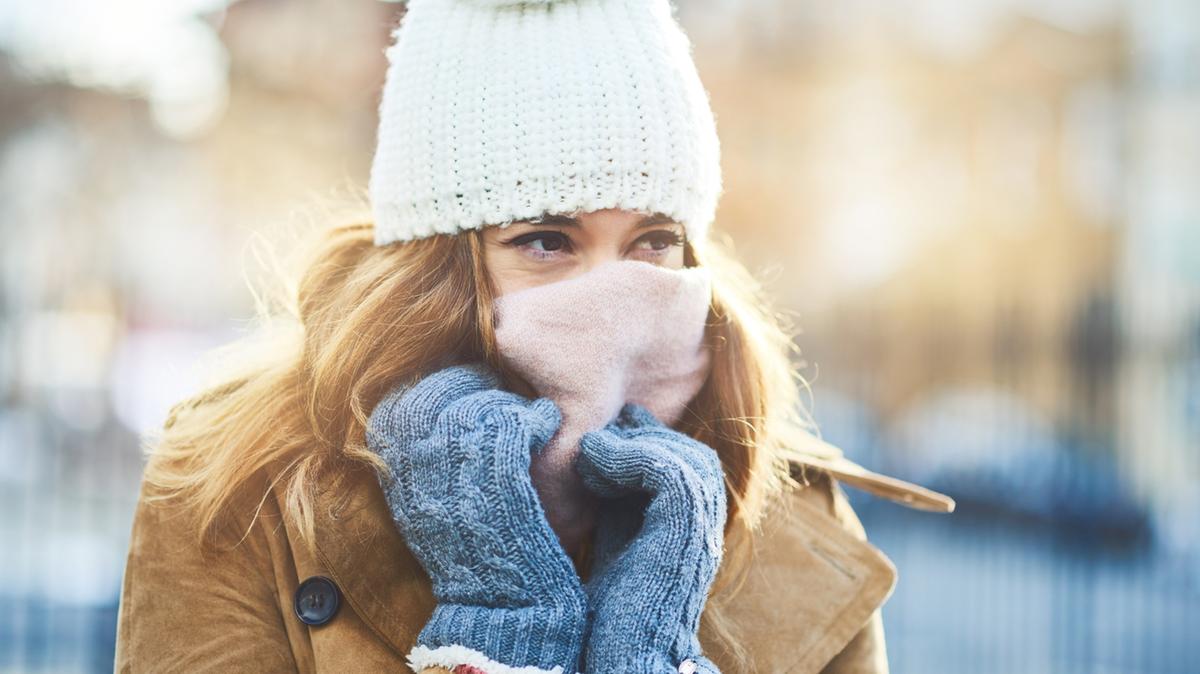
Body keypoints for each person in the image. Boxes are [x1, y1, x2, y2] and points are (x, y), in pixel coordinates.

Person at [113, 0, 954, 672]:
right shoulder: (239, 487)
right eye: (547, 241)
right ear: (436, 266)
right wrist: (502, 635)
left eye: (653, 241)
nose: (613, 298)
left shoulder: (795, 523)